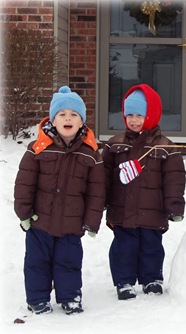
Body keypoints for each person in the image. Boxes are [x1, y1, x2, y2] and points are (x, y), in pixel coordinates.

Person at [14, 86, 105, 315]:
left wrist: (91, 221)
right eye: (62, 114)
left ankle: (70, 297)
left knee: (69, 263)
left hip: (71, 224)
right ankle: (37, 299)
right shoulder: (37, 150)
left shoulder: (90, 154)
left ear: (81, 122)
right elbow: (24, 184)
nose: (68, 118)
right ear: (52, 120)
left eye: (74, 115)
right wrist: (24, 214)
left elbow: (96, 192)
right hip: (39, 221)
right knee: (37, 263)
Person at [102, 84, 186, 300]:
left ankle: (152, 278)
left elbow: (174, 179)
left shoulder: (166, 147)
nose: (134, 120)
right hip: (122, 209)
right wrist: (100, 202)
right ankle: (124, 281)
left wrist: (174, 205)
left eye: (140, 114)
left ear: (152, 114)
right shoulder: (115, 144)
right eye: (129, 114)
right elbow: (104, 177)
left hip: (153, 210)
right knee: (124, 247)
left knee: (151, 246)